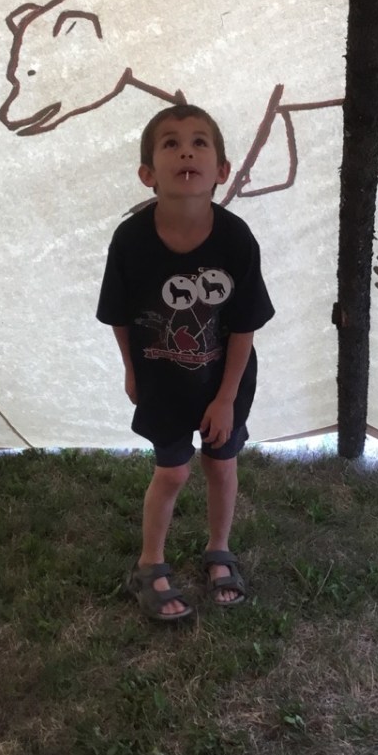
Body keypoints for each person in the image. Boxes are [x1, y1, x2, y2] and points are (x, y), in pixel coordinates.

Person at [96, 103, 275, 622]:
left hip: (225, 380)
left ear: (222, 170)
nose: (186, 152)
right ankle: (149, 564)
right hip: (162, 380)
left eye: (200, 142)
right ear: (147, 174)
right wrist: (131, 369)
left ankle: (219, 549)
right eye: (170, 144)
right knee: (172, 473)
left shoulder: (236, 239)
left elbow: (245, 324)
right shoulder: (129, 240)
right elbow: (119, 315)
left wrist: (226, 398)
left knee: (221, 464)